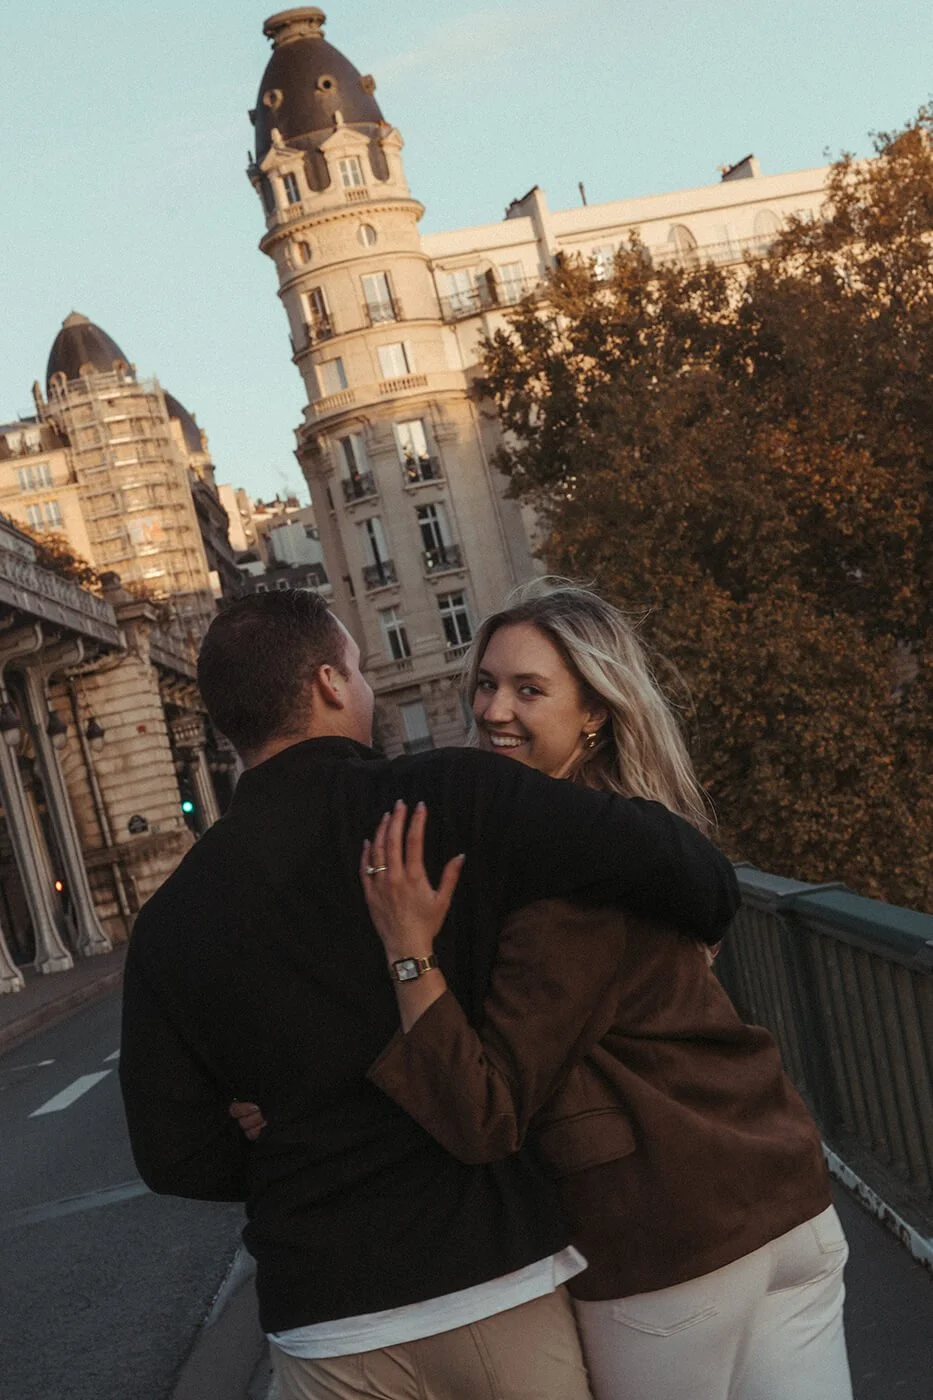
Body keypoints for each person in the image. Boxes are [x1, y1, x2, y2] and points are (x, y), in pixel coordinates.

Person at [119, 590, 739, 1400]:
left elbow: (172, 1155)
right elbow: (686, 869)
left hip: (322, 1311)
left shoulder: (170, 920)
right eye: (363, 671)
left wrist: (296, 1133)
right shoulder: (451, 796)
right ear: (330, 683)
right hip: (488, 1274)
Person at [358, 580, 853, 1400]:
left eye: (528, 689)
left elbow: (485, 1113)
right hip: (784, 1209)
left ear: (593, 713)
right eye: (485, 684)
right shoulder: (639, 833)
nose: (492, 710)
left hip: (668, 1243)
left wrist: (409, 952)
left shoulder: (567, 881)